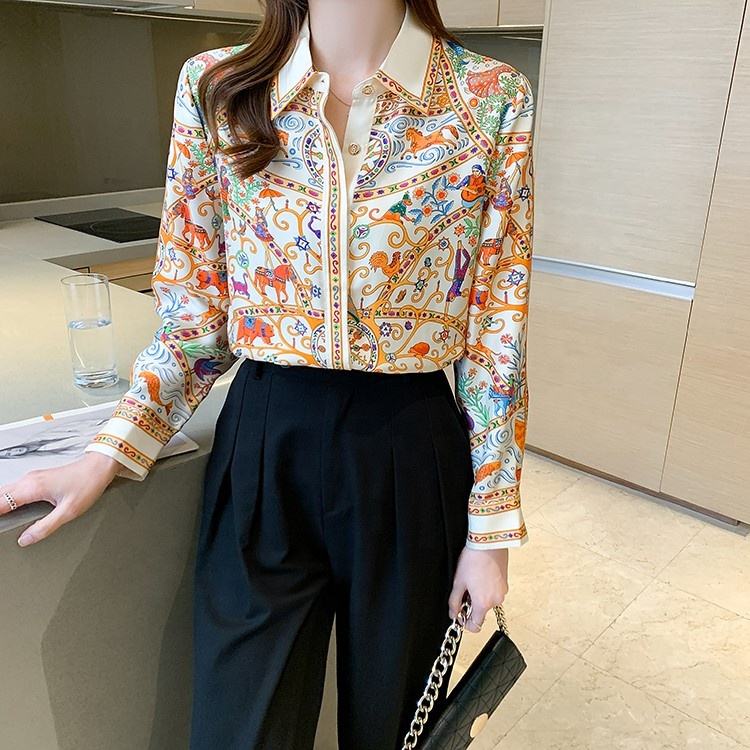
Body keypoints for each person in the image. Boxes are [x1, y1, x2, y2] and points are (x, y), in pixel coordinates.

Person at [0, 0, 534, 747]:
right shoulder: (219, 88)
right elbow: (194, 314)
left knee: (395, 728)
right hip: (264, 443)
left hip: (411, 450)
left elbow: (496, 331)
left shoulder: (489, 97)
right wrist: (108, 451)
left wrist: (490, 531)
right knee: (239, 728)